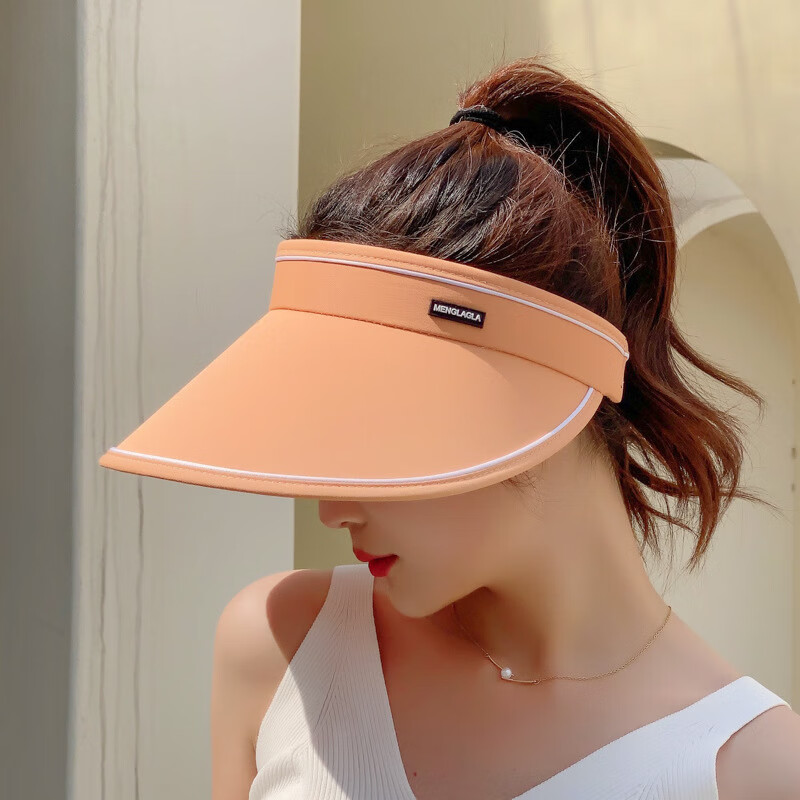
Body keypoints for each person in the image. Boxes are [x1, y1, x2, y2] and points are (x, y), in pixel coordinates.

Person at [98, 56, 800, 798]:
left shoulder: (751, 771)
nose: (331, 509)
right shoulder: (281, 651)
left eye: (370, 434)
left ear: (527, 392)